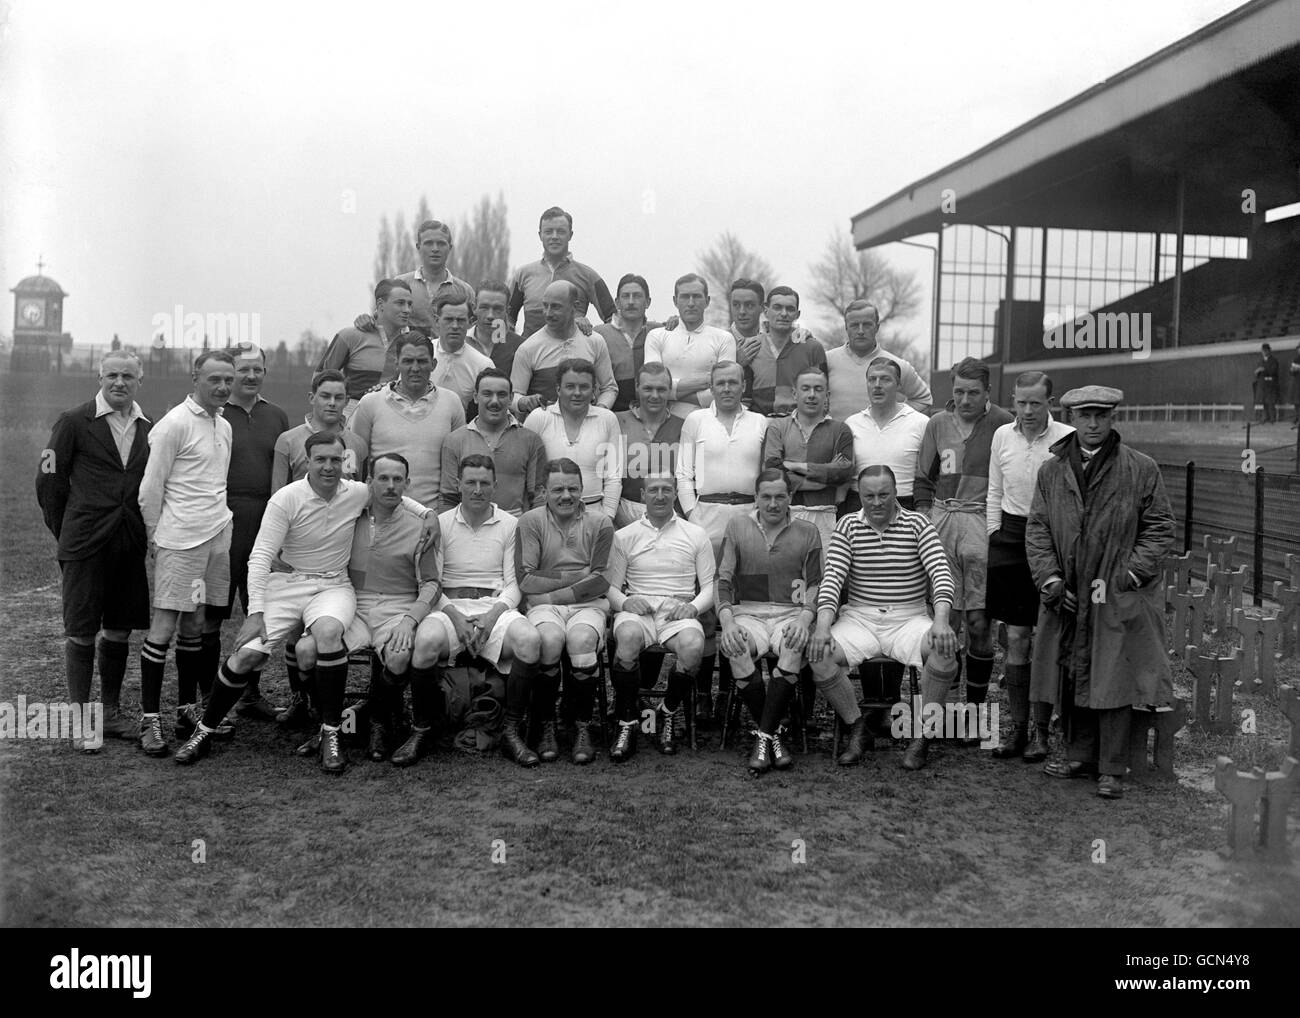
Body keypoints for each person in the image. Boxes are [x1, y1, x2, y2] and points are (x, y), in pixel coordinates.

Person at [172, 432, 371, 773]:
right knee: (247, 654)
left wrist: (426, 514)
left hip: (332, 586)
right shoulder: (286, 498)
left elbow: (391, 495)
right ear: (307, 462)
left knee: (328, 634)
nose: (328, 466)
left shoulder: (357, 493)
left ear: (345, 462)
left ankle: (331, 733)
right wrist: (255, 614)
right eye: (320, 459)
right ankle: (204, 731)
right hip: (288, 583)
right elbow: (260, 556)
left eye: (335, 460)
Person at [1028, 386, 1176, 800]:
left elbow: (1160, 527)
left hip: (1116, 593)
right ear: (1071, 419)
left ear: (1112, 418)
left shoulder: (1140, 468)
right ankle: (1080, 756)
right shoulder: (1052, 471)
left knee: (1114, 677)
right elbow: (1037, 529)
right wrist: (1052, 581)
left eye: (1100, 415)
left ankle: (1112, 766)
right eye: (1084, 416)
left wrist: (1130, 574)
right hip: (1069, 592)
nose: (1092, 424)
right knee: (1072, 670)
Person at [36, 351, 152, 750]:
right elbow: (49, 482)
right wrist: (66, 530)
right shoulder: (73, 421)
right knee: (82, 629)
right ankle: (80, 718)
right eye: (112, 375)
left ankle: (111, 713)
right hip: (85, 542)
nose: (119, 382)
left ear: (140, 379)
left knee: (119, 628)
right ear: (99, 377)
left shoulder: (147, 426)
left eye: (127, 376)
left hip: (128, 542)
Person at [808, 466, 958, 771]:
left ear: (895, 493)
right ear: (860, 495)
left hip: (909, 616)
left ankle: (923, 736)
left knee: (943, 650)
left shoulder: (918, 524)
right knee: (819, 653)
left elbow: (941, 573)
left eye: (883, 494)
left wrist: (941, 621)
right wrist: (823, 626)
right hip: (861, 616)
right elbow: (833, 578)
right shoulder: (847, 525)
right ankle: (858, 728)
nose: (876, 502)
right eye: (869, 496)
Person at [304, 452, 442, 767]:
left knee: (398, 655)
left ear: (408, 484)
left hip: (397, 606)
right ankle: (328, 725)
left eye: (398, 479)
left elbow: (432, 583)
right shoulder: (349, 516)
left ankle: (378, 721)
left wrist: (410, 621)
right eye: (383, 478)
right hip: (351, 602)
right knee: (306, 651)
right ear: (369, 482)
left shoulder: (421, 527)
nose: (391, 486)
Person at [136, 350, 237, 757]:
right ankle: (149, 721)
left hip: (216, 537)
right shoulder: (173, 424)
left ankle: (185, 709)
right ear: (195, 377)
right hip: (180, 541)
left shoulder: (224, 425)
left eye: (228, 380)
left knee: (195, 626)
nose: (223, 387)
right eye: (215, 379)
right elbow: (150, 489)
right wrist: (155, 539)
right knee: (163, 627)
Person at [913, 357, 1014, 738]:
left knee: (978, 621)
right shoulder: (938, 423)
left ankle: (973, 715)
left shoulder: (1004, 423)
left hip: (981, 523)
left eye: (974, 392)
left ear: (988, 392)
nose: (965, 399)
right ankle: (944, 712)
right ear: (950, 391)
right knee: (945, 621)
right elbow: (923, 476)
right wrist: (925, 519)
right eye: (958, 391)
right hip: (942, 519)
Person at [421, 455, 544, 768]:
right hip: (449, 607)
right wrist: (455, 616)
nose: (477, 489)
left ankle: (511, 731)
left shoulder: (511, 524)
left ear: (495, 486)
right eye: (470, 482)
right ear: (458, 484)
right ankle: (423, 729)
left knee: (529, 640)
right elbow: (430, 581)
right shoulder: (441, 522)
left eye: (484, 483)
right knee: (423, 645)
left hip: (494, 607)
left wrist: (491, 618)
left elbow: (516, 584)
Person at [986, 370, 1074, 761]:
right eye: (1020, 402)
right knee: (1017, 638)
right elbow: (993, 488)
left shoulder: (1067, 438)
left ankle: (1043, 731)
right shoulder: (1003, 435)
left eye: (1035, 403)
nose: (1026, 411)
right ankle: (1017, 728)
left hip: (1052, 540)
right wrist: (994, 532)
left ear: (1049, 404)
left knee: (1048, 638)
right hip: (1010, 536)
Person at [677, 359, 767, 720]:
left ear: (743, 386)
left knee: (740, 604)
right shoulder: (696, 421)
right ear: (711, 388)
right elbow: (683, 473)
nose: (727, 388)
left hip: (747, 515)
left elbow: (765, 474)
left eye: (733, 382)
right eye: (720, 383)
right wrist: (693, 515)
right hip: (707, 516)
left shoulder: (760, 423)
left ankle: (733, 695)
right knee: (707, 606)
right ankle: (701, 695)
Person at [716, 469, 822, 775]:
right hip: (749, 612)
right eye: (766, 496)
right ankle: (773, 737)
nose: (773, 504)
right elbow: (722, 579)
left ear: (790, 497)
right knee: (736, 648)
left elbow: (816, 582)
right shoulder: (737, 525)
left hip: (791, 613)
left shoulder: (808, 531)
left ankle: (763, 738)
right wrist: (728, 620)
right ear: (756, 498)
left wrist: (805, 619)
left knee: (793, 644)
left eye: (780, 496)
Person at [208, 344, 290, 722]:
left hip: (266, 519)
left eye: (258, 369)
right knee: (211, 612)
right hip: (222, 520)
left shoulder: (276, 415)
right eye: (243, 369)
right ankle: (208, 696)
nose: (251, 376)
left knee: (260, 607)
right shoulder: (213, 414)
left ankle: (250, 694)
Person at [606, 474, 714, 760]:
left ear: (676, 494)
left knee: (692, 646)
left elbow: (710, 586)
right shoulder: (624, 536)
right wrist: (627, 602)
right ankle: (628, 721)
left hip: (677, 610)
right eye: (653, 490)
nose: (660, 496)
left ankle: (667, 712)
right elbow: (611, 588)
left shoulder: (696, 534)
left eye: (667, 490)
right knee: (627, 639)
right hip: (639, 610)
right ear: (642, 494)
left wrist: (693, 608)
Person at [515, 459, 615, 765]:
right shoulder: (530, 522)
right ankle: (547, 724)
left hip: (584, 604)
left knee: (582, 641)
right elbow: (526, 580)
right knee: (549, 639)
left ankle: (582, 725)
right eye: (558, 489)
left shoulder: (601, 523)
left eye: (573, 488)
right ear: (545, 491)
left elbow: (600, 580)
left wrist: (553, 590)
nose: (566, 495)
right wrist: (576, 577)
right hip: (544, 606)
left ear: (583, 489)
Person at [347, 331, 466, 508]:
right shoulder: (370, 403)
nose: (415, 368)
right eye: (408, 361)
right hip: (380, 517)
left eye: (422, 361)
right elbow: (350, 460)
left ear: (433, 364)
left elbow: (458, 464)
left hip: (433, 519)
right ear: (397, 364)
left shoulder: (452, 403)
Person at [762, 366, 853, 554]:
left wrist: (793, 466)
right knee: (786, 578)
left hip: (826, 517)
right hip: (786, 516)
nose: (812, 395)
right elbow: (773, 472)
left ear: (827, 395)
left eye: (818, 389)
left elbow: (843, 472)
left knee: (823, 578)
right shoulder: (778, 427)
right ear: (795, 393)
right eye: (805, 388)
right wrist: (818, 481)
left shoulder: (840, 430)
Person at [440, 368, 546, 516]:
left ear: (511, 398)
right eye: (487, 394)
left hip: (514, 529)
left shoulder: (531, 441)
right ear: (476, 397)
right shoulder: (454, 441)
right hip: (467, 528)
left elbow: (538, 497)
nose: (494, 401)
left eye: (501, 394)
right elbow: (448, 498)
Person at [523, 358, 621, 520]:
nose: (577, 393)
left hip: (594, 514)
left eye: (584, 387)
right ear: (558, 389)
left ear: (594, 390)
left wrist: (607, 517)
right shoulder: (539, 417)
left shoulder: (608, 419)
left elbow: (614, 475)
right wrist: (535, 517)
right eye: (570, 386)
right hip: (548, 516)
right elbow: (526, 470)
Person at [510, 280, 619, 414]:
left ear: (575, 306)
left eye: (556, 307)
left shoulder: (595, 341)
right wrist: (524, 402)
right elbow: (513, 397)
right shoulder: (528, 348)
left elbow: (609, 388)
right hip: (543, 429)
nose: (548, 313)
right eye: (545, 306)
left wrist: (600, 412)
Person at [508, 206, 616, 339]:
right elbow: (505, 318)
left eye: (560, 231)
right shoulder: (523, 275)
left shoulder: (588, 276)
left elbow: (613, 320)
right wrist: (501, 351)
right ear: (540, 235)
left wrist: (594, 339)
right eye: (548, 231)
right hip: (532, 357)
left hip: (574, 356)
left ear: (570, 235)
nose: (554, 237)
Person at [644, 274, 737, 419]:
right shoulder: (656, 336)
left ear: (707, 301)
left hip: (708, 423)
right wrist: (702, 382)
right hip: (663, 423)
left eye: (697, 296)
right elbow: (652, 384)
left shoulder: (724, 339)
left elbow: (724, 390)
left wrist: (670, 393)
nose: (691, 303)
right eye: (685, 297)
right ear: (675, 301)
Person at [317, 278, 413, 414]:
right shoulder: (350, 336)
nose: (407, 310)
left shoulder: (414, 342)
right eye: (400, 303)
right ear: (380, 305)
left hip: (395, 417)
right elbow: (319, 378)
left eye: (410, 304)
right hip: (352, 415)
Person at [844, 358, 928, 513]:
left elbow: (929, 475)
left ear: (899, 385)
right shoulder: (851, 424)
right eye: (872, 379)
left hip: (905, 506)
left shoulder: (921, 423)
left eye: (885, 379)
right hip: (858, 507)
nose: (877, 385)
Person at [826, 300, 931, 422]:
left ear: (877, 327)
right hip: (835, 440)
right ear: (846, 328)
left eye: (867, 325)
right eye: (854, 325)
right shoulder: (827, 360)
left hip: (880, 439)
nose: (860, 331)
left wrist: (896, 422)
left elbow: (923, 399)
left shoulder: (895, 365)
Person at [272, 369, 368, 491]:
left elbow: (364, 495)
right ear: (312, 398)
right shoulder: (288, 441)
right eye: (325, 396)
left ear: (347, 401)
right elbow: (277, 496)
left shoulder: (359, 444)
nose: (332, 403)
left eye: (338, 398)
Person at [615, 361, 684, 527]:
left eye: (661, 389)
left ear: (669, 391)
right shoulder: (616, 421)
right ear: (637, 387)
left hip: (671, 516)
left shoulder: (683, 426)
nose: (654, 395)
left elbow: (692, 479)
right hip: (624, 514)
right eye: (648, 388)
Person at [745, 286, 827, 416]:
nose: (784, 314)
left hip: (799, 425)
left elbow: (823, 395)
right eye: (777, 307)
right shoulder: (750, 346)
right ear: (766, 311)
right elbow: (743, 397)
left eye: (790, 309)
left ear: (797, 314)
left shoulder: (812, 348)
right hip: (759, 424)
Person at [594, 273, 662, 411]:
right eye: (625, 296)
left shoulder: (659, 332)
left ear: (648, 302)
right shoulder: (598, 334)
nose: (631, 302)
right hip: (611, 413)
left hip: (652, 413)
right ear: (617, 302)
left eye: (637, 296)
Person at [396, 220, 476, 332]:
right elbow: (382, 321)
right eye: (428, 243)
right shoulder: (400, 285)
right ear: (418, 247)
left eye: (441, 244)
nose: (435, 249)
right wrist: (365, 322)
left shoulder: (465, 291)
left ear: (450, 247)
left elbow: (473, 331)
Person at [430, 291, 493, 414]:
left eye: (460, 320)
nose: (455, 326)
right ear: (437, 321)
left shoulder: (483, 365)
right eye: (449, 319)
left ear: (470, 322)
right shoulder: (420, 355)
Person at [467, 280, 526, 378]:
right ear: (474, 308)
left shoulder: (521, 348)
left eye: (497, 309)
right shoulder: (461, 343)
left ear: (507, 311)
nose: (490, 316)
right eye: (484, 308)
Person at [1256, 343, 1280, 424]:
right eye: (1263, 350)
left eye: (1266, 350)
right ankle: (1265, 417)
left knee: (1271, 402)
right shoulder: (1260, 361)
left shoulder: (1274, 360)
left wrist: (1263, 369)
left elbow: (1273, 371)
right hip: (1263, 384)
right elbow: (1258, 374)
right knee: (1264, 401)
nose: (1264, 352)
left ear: (1269, 351)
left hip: (1271, 384)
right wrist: (1257, 372)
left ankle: (1272, 418)